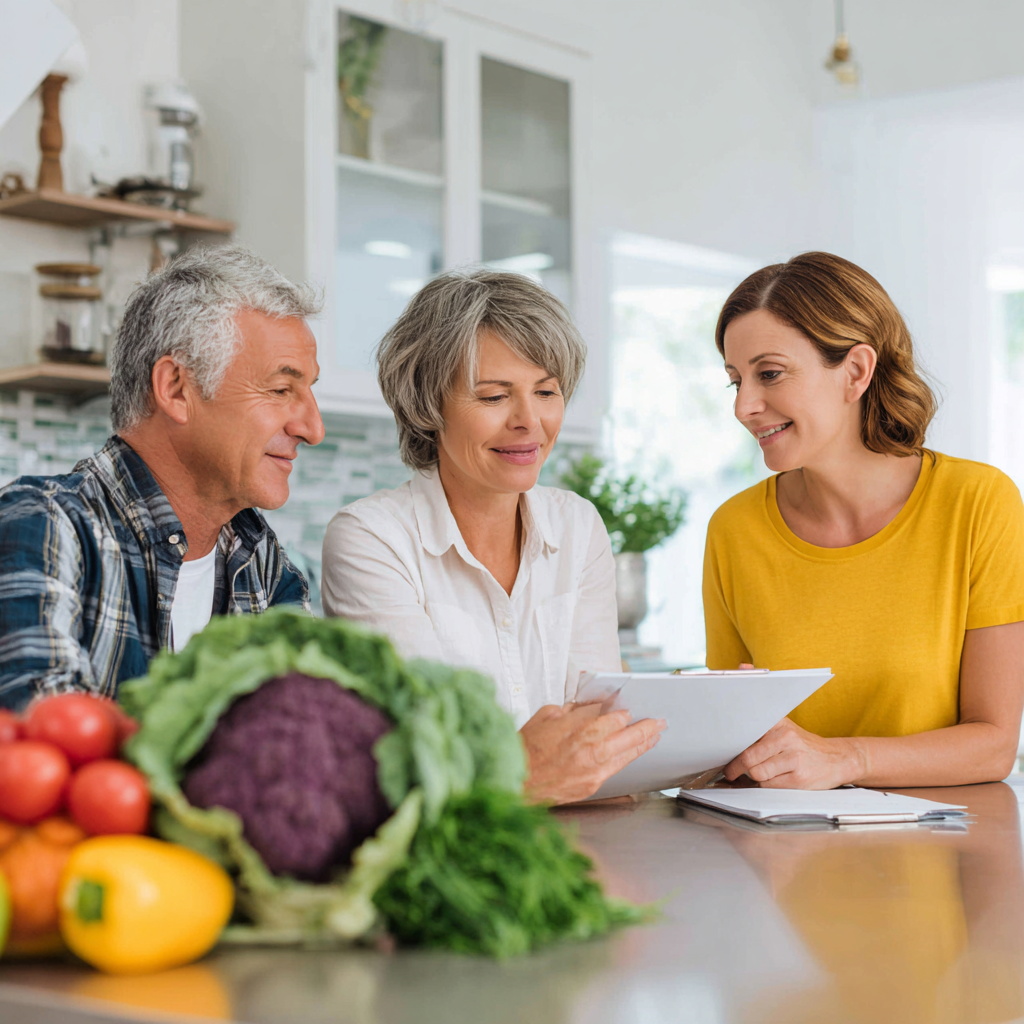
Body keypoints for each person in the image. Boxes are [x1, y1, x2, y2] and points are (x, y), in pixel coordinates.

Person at [321, 269, 665, 804]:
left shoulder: (578, 527)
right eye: (493, 397)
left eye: (546, 391)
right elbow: (423, 753)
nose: (529, 420)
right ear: (428, 405)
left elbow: (598, 730)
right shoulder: (372, 539)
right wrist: (533, 772)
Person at [704, 251, 1024, 789]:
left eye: (771, 374)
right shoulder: (734, 529)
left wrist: (844, 760)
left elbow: (993, 745)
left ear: (855, 371)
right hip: (781, 854)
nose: (744, 407)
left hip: (941, 855)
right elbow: (731, 746)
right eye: (737, 381)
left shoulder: (977, 502)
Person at [0, 245, 324, 710]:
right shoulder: (45, 526)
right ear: (175, 389)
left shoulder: (266, 566)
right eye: (280, 389)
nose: (313, 429)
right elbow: (42, 751)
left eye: (308, 392)